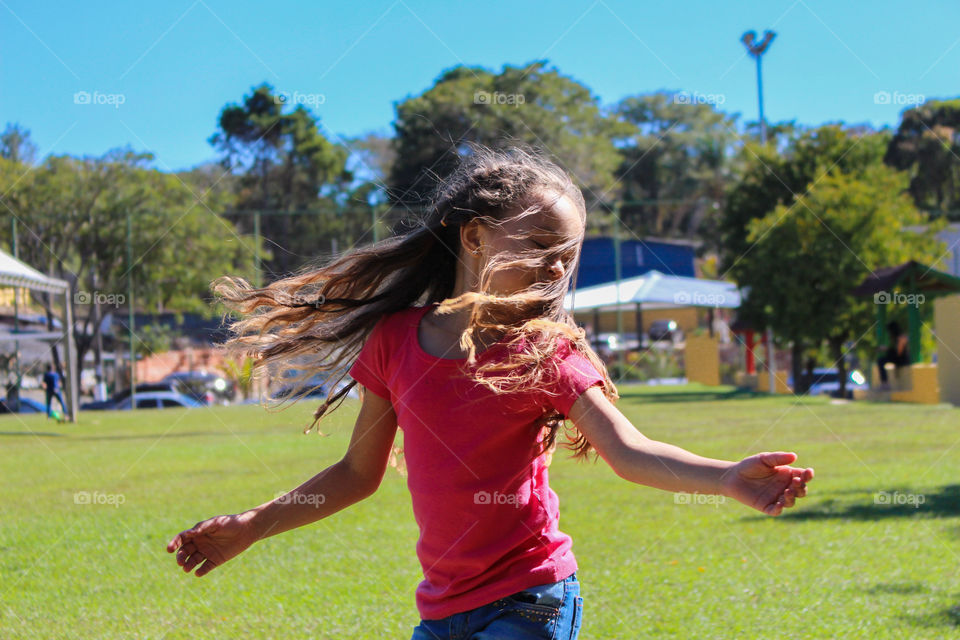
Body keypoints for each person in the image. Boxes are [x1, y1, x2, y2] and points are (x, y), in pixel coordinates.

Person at [166, 144, 815, 639]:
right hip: (442, 611)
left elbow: (629, 450)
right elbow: (355, 474)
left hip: (531, 599)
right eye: (539, 245)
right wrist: (253, 526)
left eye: (568, 255)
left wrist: (726, 475)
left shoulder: (548, 352)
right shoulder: (393, 342)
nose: (557, 269)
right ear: (473, 236)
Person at [876, 321, 910, 385]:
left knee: (881, 361)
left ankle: (885, 383)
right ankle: (884, 382)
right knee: (881, 360)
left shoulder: (901, 338)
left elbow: (899, 352)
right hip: (898, 359)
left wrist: (887, 349)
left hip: (902, 360)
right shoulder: (897, 338)